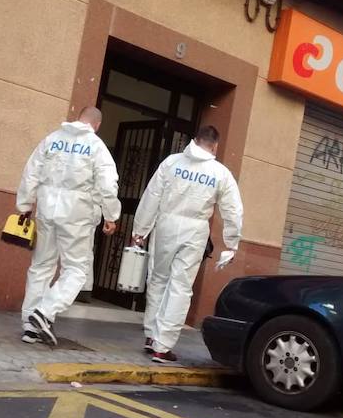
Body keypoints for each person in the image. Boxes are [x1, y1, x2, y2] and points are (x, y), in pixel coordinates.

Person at [131, 126, 243, 363]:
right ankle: (163, 345)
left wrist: (140, 230)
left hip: (165, 225)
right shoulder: (220, 173)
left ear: (194, 140)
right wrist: (231, 243)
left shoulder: (172, 163)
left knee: (158, 279)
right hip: (195, 231)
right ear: (215, 145)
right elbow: (232, 211)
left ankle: (151, 335)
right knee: (180, 286)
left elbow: (152, 196)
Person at [17, 106, 121, 346]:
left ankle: (29, 326)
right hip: (77, 212)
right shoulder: (96, 147)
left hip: (46, 207)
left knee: (41, 265)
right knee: (76, 269)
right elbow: (107, 184)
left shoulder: (52, 140)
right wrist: (111, 215)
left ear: (78, 119)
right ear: (96, 125)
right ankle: (44, 312)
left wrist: (25, 204)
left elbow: (31, 172)